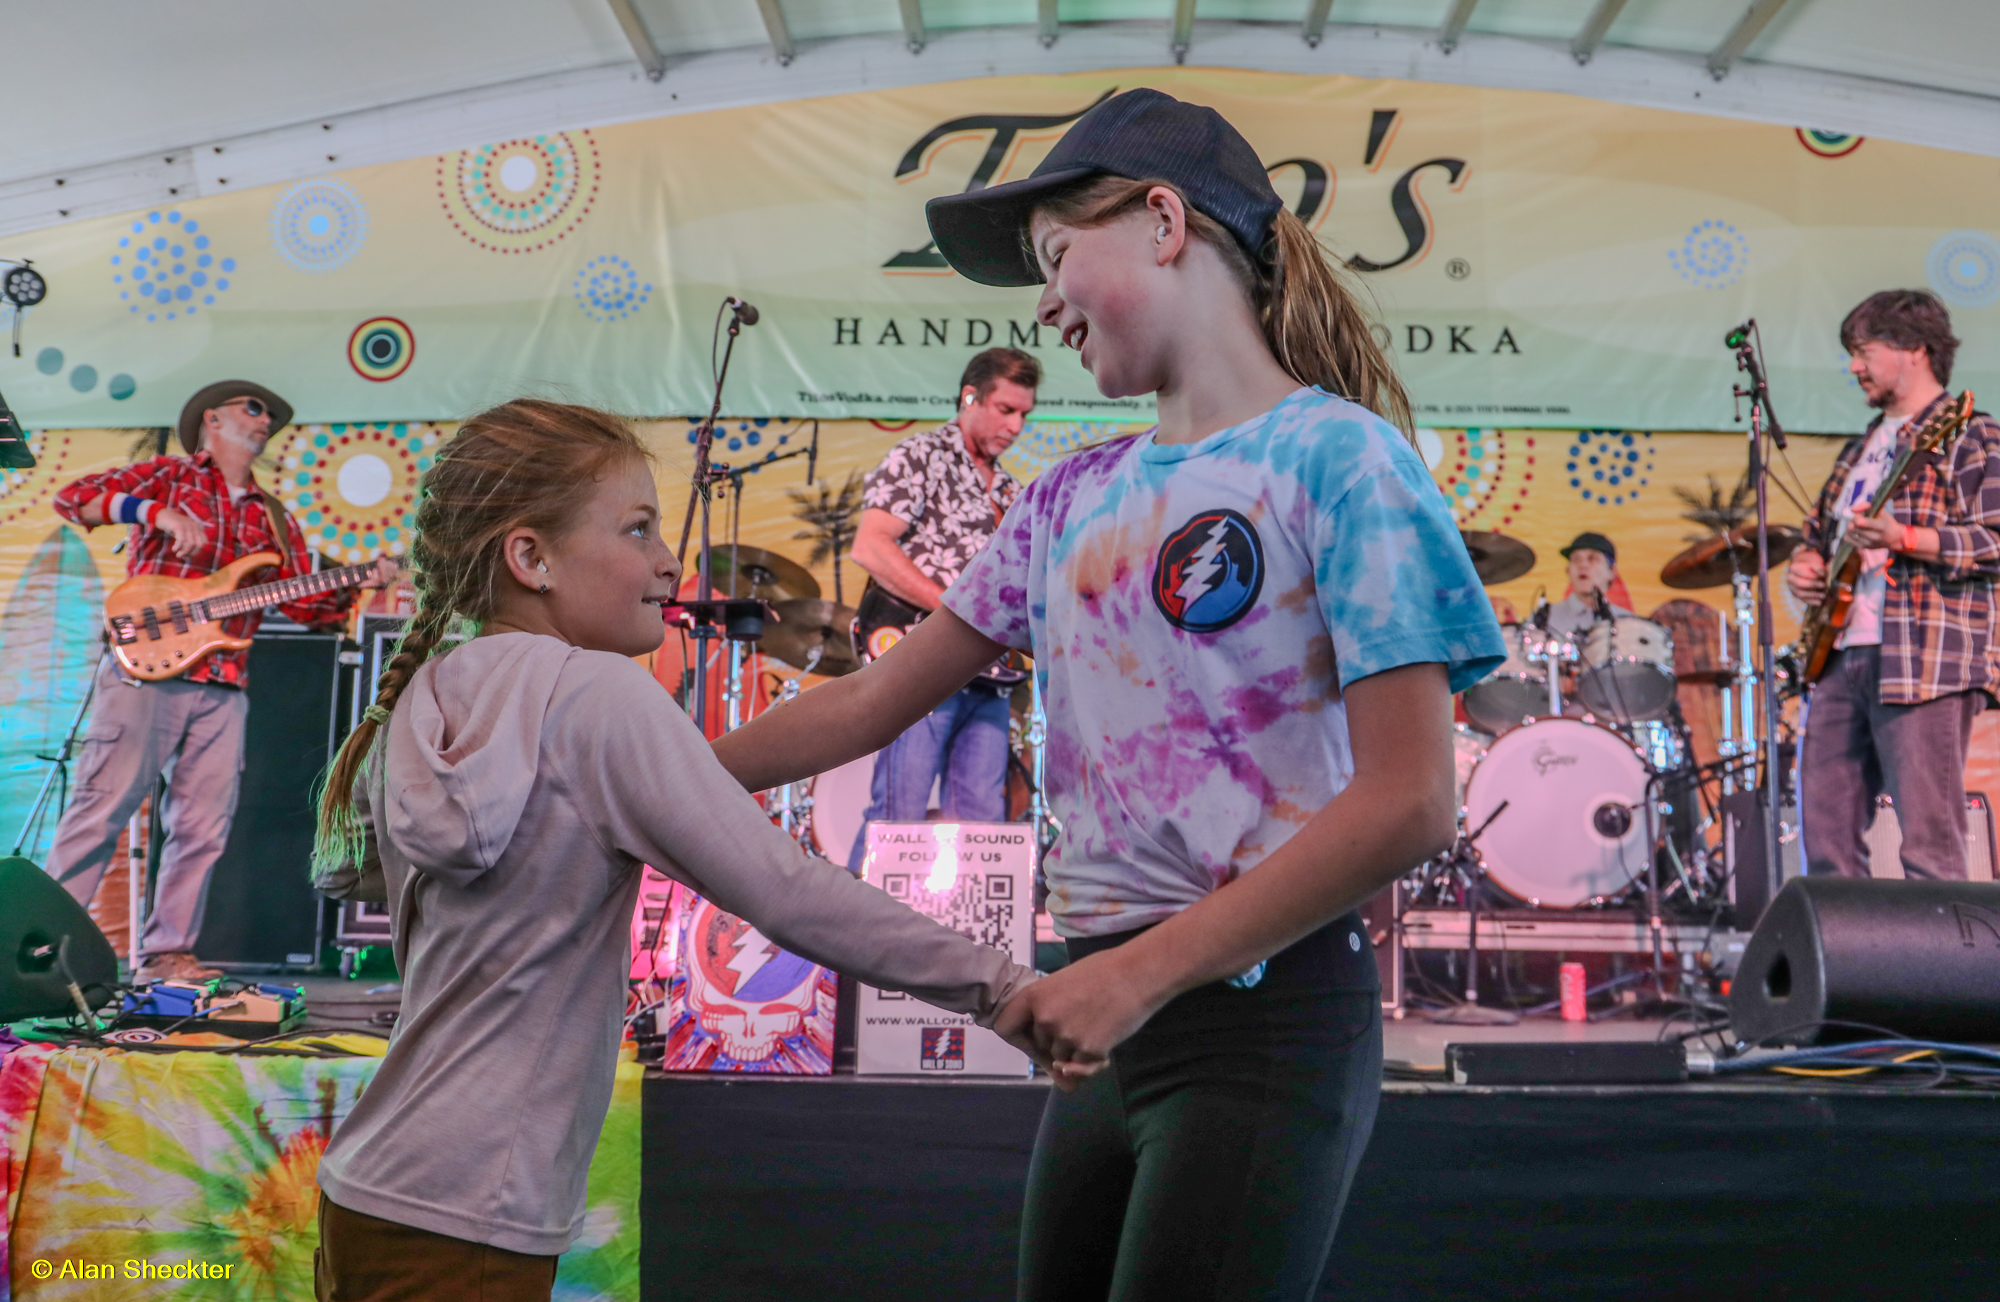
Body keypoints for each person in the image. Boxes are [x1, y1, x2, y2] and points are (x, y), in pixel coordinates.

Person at [714, 89, 1503, 1301]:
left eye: (1052, 257)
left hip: (1260, 1028)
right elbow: (865, 704)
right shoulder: (1064, 496)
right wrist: (638, 770)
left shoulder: (1336, 459)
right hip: (1103, 1032)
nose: (1039, 304)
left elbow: (1408, 803)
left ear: (1161, 220)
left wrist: (1138, 976)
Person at [309, 399, 1045, 1302]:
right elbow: (788, 891)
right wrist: (1006, 989)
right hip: (470, 1218)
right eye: (637, 528)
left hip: (376, 1184)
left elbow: (705, 769)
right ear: (530, 557)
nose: (669, 561)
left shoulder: (440, 691)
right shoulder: (592, 695)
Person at [44, 380, 396, 982]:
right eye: (253, 408)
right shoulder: (169, 477)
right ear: (213, 418)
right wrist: (153, 511)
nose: (265, 420)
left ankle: (166, 955)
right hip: (143, 673)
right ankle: (41, 951)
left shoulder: (272, 516)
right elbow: (75, 499)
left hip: (224, 684)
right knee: (100, 810)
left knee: (202, 828)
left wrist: (368, 576)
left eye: (271, 416)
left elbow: (309, 606)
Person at [1787, 289, 2000, 881]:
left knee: (1929, 848)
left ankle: (1938, 975)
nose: (1854, 366)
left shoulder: (1972, 435)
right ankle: (1845, 971)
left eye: (1864, 351)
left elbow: (1995, 541)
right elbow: (1816, 535)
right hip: (1839, 657)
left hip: (1923, 659)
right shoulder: (1861, 447)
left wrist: (1905, 537)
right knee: (1826, 845)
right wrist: (1807, 566)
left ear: (1915, 351)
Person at [845, 346, 1039, 872]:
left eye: (1024, 414)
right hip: (921, 661)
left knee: (982, 828)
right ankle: (843, 952)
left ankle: (964, 952)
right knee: (897, 819)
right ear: (969, 397)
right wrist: (958, 613)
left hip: (988, 673)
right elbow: (871, 547)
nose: (1016, 425)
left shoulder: (1012, 490)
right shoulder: (920, 456)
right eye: (1005, 409)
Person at [1540, 530, 1630, 640]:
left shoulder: (1628, 623)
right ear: (1568, 570)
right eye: (1576, 559)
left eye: (1593, 558)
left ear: (1611, 571)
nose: (1583, 565)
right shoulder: (1544, 618)